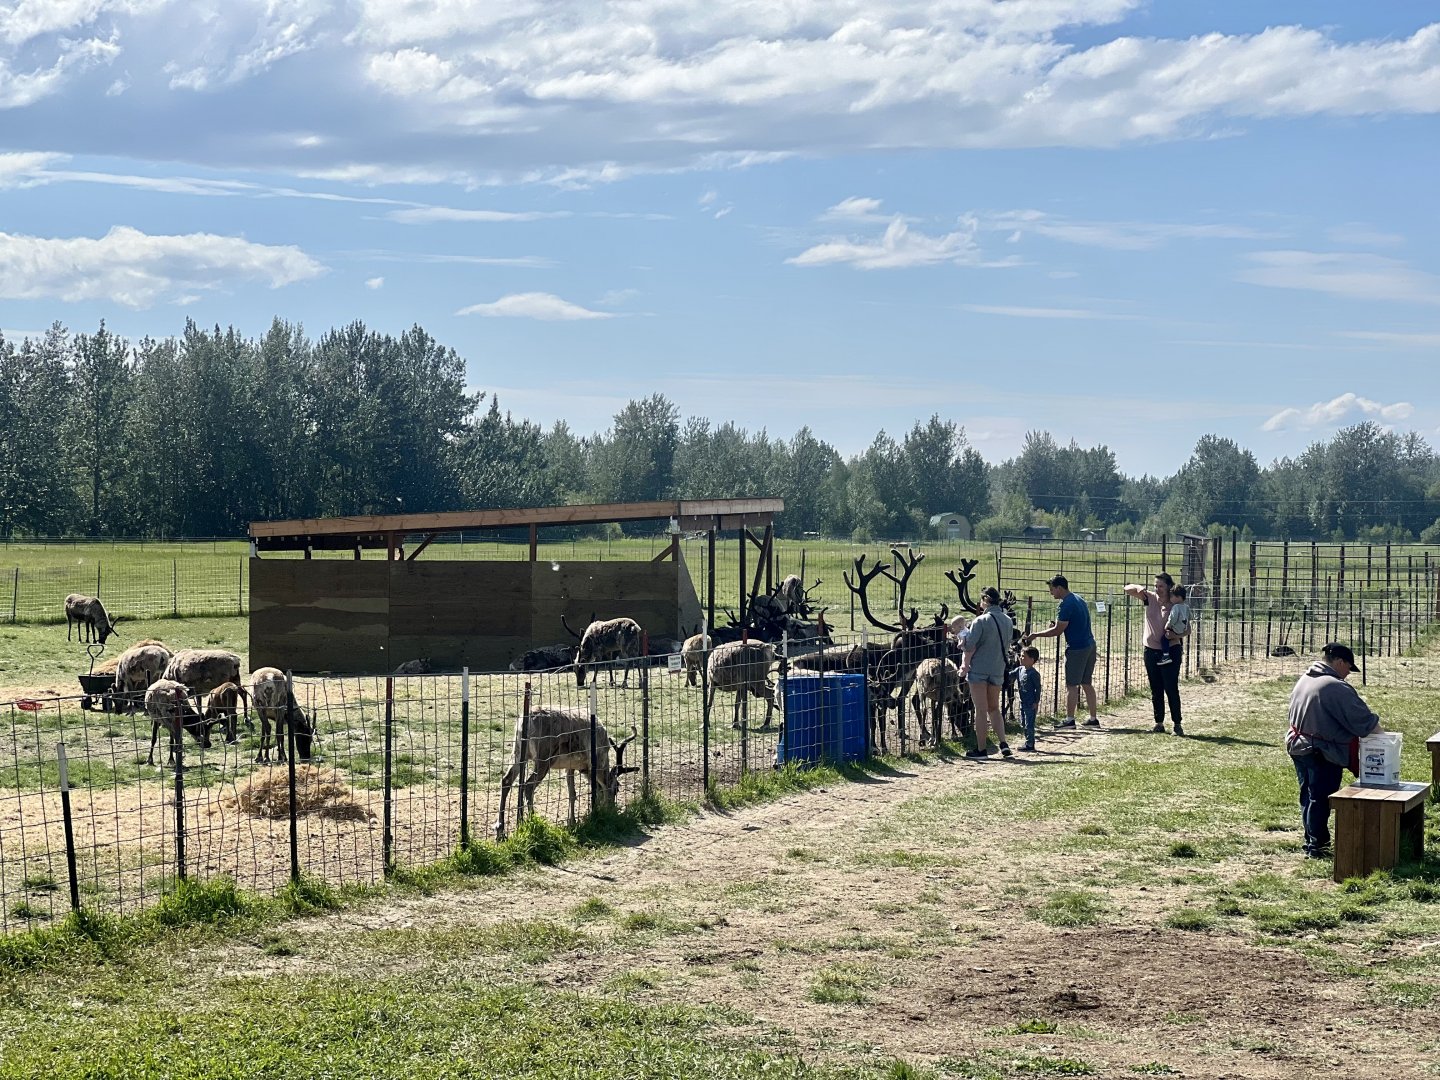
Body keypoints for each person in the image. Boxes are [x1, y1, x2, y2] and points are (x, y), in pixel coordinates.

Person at [1286, 642, 1381, 860]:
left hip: (1299, 747)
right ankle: (1317, 847)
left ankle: (1312, 840)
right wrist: (1386, 742)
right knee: (1320, 798)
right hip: (1321, 751)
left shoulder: (1306, 678)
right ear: (1339, 662)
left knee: (1309, 796)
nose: (1349, 673)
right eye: (1349, 667)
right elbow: (1363, 721)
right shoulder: (1335, 686)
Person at [1024, 574, 1097, 728]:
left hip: (1077, 649)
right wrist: (1056, 626)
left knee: (1071, 685)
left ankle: (1070, 720)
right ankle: (1093, 718)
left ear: (1059, 588)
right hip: (1090, 644)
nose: (1051, 593)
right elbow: (1067, 624)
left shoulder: (1066, 604)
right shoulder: (1078, 598)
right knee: (1086, 683)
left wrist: (1036, 634)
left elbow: (1057, 631)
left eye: (1052, 589)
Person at [1123, 573, 1185, 735]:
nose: (1157, 589)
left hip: (1171, 651)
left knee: (1171, 687)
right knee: (1155, 688)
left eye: (1161, 586)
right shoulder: (1148, 598)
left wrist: (1175, 636)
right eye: (1156, 585)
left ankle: (1177, 724)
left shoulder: (1176, 604)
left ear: (1169, 587)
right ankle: (1159, 722)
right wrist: (1138, 588)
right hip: (1150, 651)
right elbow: (1126, 588)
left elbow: (1187, 629)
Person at [960, 586, 1015, 758]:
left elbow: (969, 646)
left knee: (981, 710)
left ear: (985, 600)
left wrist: (962, 640)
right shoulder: (1007, 620)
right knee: (994, 708)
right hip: (998, 669)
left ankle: (982, 749)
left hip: (979, 671)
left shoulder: (980, 621)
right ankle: (1003, 743)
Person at [1155, 584, 1191, 666]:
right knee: (1179, 638)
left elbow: (1172, 618)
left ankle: (1166, 656)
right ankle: (1180, 649)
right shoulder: (1186, 607)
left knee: (1164, 639)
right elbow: (1190, 616)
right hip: (1182, 629)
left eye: (1172, 597)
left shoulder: (1176, 607)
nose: (1170, 599)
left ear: (1178, 597)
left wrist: (1167, 625)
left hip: (1174, 628)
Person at [1015, 646, 1041, 752]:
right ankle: (1027, 741)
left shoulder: (1034, 674)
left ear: (1032, 660)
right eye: (1021, 656)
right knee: (1023, 722)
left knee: (1029, 724)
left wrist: (1036, 702)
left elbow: (1038, 689)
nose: (1021, 658)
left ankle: (1030, 744)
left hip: (1030, 703)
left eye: (1023, 657)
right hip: (1022, 702)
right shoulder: (1019, 670)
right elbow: (1010, 675)